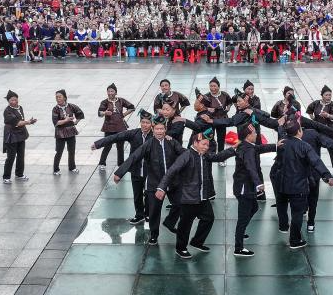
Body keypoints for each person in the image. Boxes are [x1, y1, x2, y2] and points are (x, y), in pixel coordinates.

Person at [155, 130, 236, 259]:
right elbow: (171, 171)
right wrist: (161, 188)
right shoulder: (186, 155)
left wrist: (233, 150)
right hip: (188, 198)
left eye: (207, 145)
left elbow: (217, 157)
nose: (206, 147)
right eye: (203, 144)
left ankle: (197, 242)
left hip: (202, 197)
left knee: (209, 218)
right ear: (195, 143)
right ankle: (180, 248)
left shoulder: (204, 155)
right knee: (185, 225)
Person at [114, 115, 185, 245]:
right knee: (154, 211)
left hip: (171, 182)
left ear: (165, 130)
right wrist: (120, 173)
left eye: (161, 129)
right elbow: (134, 157)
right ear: (153, 130)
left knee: (180, 204)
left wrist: (197, 153)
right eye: (157, 129)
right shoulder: (149, 144)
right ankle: (154, 234)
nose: (159, 131)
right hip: (155, 183)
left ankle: (169, 222)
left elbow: (184, 153)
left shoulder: (172, 141)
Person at [272, 118, 333, 248]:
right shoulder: (304, 146)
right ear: (299, 131)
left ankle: (283, 226)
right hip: (298, 185)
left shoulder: (282, 143)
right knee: (297, 213)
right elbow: (316, 162)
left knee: (282, 205)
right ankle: (295, 240)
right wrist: (327, 176)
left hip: (282, 183)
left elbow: (279, 162)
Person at [94, 109, 154, 224]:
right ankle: (139, 215)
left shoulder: (155, 136)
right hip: (136, 170)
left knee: (149, 194)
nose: (145, 125)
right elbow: (116, 137)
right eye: (143, 122)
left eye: (147, 123)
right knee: (137, 195)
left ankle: (148, 214)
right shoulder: (134, 134)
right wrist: (98, 144)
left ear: (152, 124)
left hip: (149, 171)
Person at [231, 124, 277, 256]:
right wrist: (258, 184)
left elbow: (260, 148)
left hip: (243, 187)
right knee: (243, 216)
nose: (256, 134)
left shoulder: (246, 146)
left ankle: (241, 231)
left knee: (254, 208)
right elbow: (250, 167)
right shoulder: (248, 150)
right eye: (254, 133)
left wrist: (275, 146)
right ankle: (238, 247)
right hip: (245, 189)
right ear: (248, 136)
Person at [98, 83, 134, 170]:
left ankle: (120, 164)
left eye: (112, 91)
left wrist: (124, 114)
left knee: (120, 146)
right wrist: (105, 113)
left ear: (116, 92)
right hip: (109, 127)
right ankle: (102, 163)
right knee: (107, 145)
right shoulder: (104, 102)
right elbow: (99, 113)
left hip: (120, 126)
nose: (110, 93)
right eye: (108, 91)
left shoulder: (121, 100)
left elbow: (132, 107)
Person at [2, 90, 36, 183]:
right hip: (11, 135)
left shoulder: (20, 108)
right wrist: (28, 122)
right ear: (8, 101)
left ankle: (19, 174)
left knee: (21, 155)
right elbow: (16, 122)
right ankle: (6, 176)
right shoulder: (7, 111)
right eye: (12, 100)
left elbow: (21, 120)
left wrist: (27, 122)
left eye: (16, 99)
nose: (14, 102)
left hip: (21, 134)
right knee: (11, 157)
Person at [306, 85, 333, 172]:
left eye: (330, 95)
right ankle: (317, 166)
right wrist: (312, 118)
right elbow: (309, 109)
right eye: (326, 95)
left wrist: (328, 115)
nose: (328, 97)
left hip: (328, 130)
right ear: (322, 95)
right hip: (317, 130)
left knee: (331, 148)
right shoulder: (316, 103)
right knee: (316, 148)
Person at [52, 89, 85, 175]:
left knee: (71, 151)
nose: (58, 99)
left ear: (65, 98)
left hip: (71, 131)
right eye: (56, 97)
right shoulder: (55, 109)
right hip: (60, 133)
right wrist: (66, 120)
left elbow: (80, 114)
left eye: (60, 97)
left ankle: (72, 167)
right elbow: (56, 123)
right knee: (59, 151)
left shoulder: (71, 106)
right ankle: (56, 169)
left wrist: (76, 122)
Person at [200, 77, 232, 156]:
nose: (212, 88)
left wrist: (228, 108)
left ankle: (221, 156)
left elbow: (230, 102)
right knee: (209, 138)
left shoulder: (224, 95)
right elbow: (200, 107)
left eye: (214, 86)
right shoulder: (206, 96)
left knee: (221, 139)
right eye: (211, 86)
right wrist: (207, 108)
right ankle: (210, 155)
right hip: (210, 121)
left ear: (218, 86)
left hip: (222, 120)